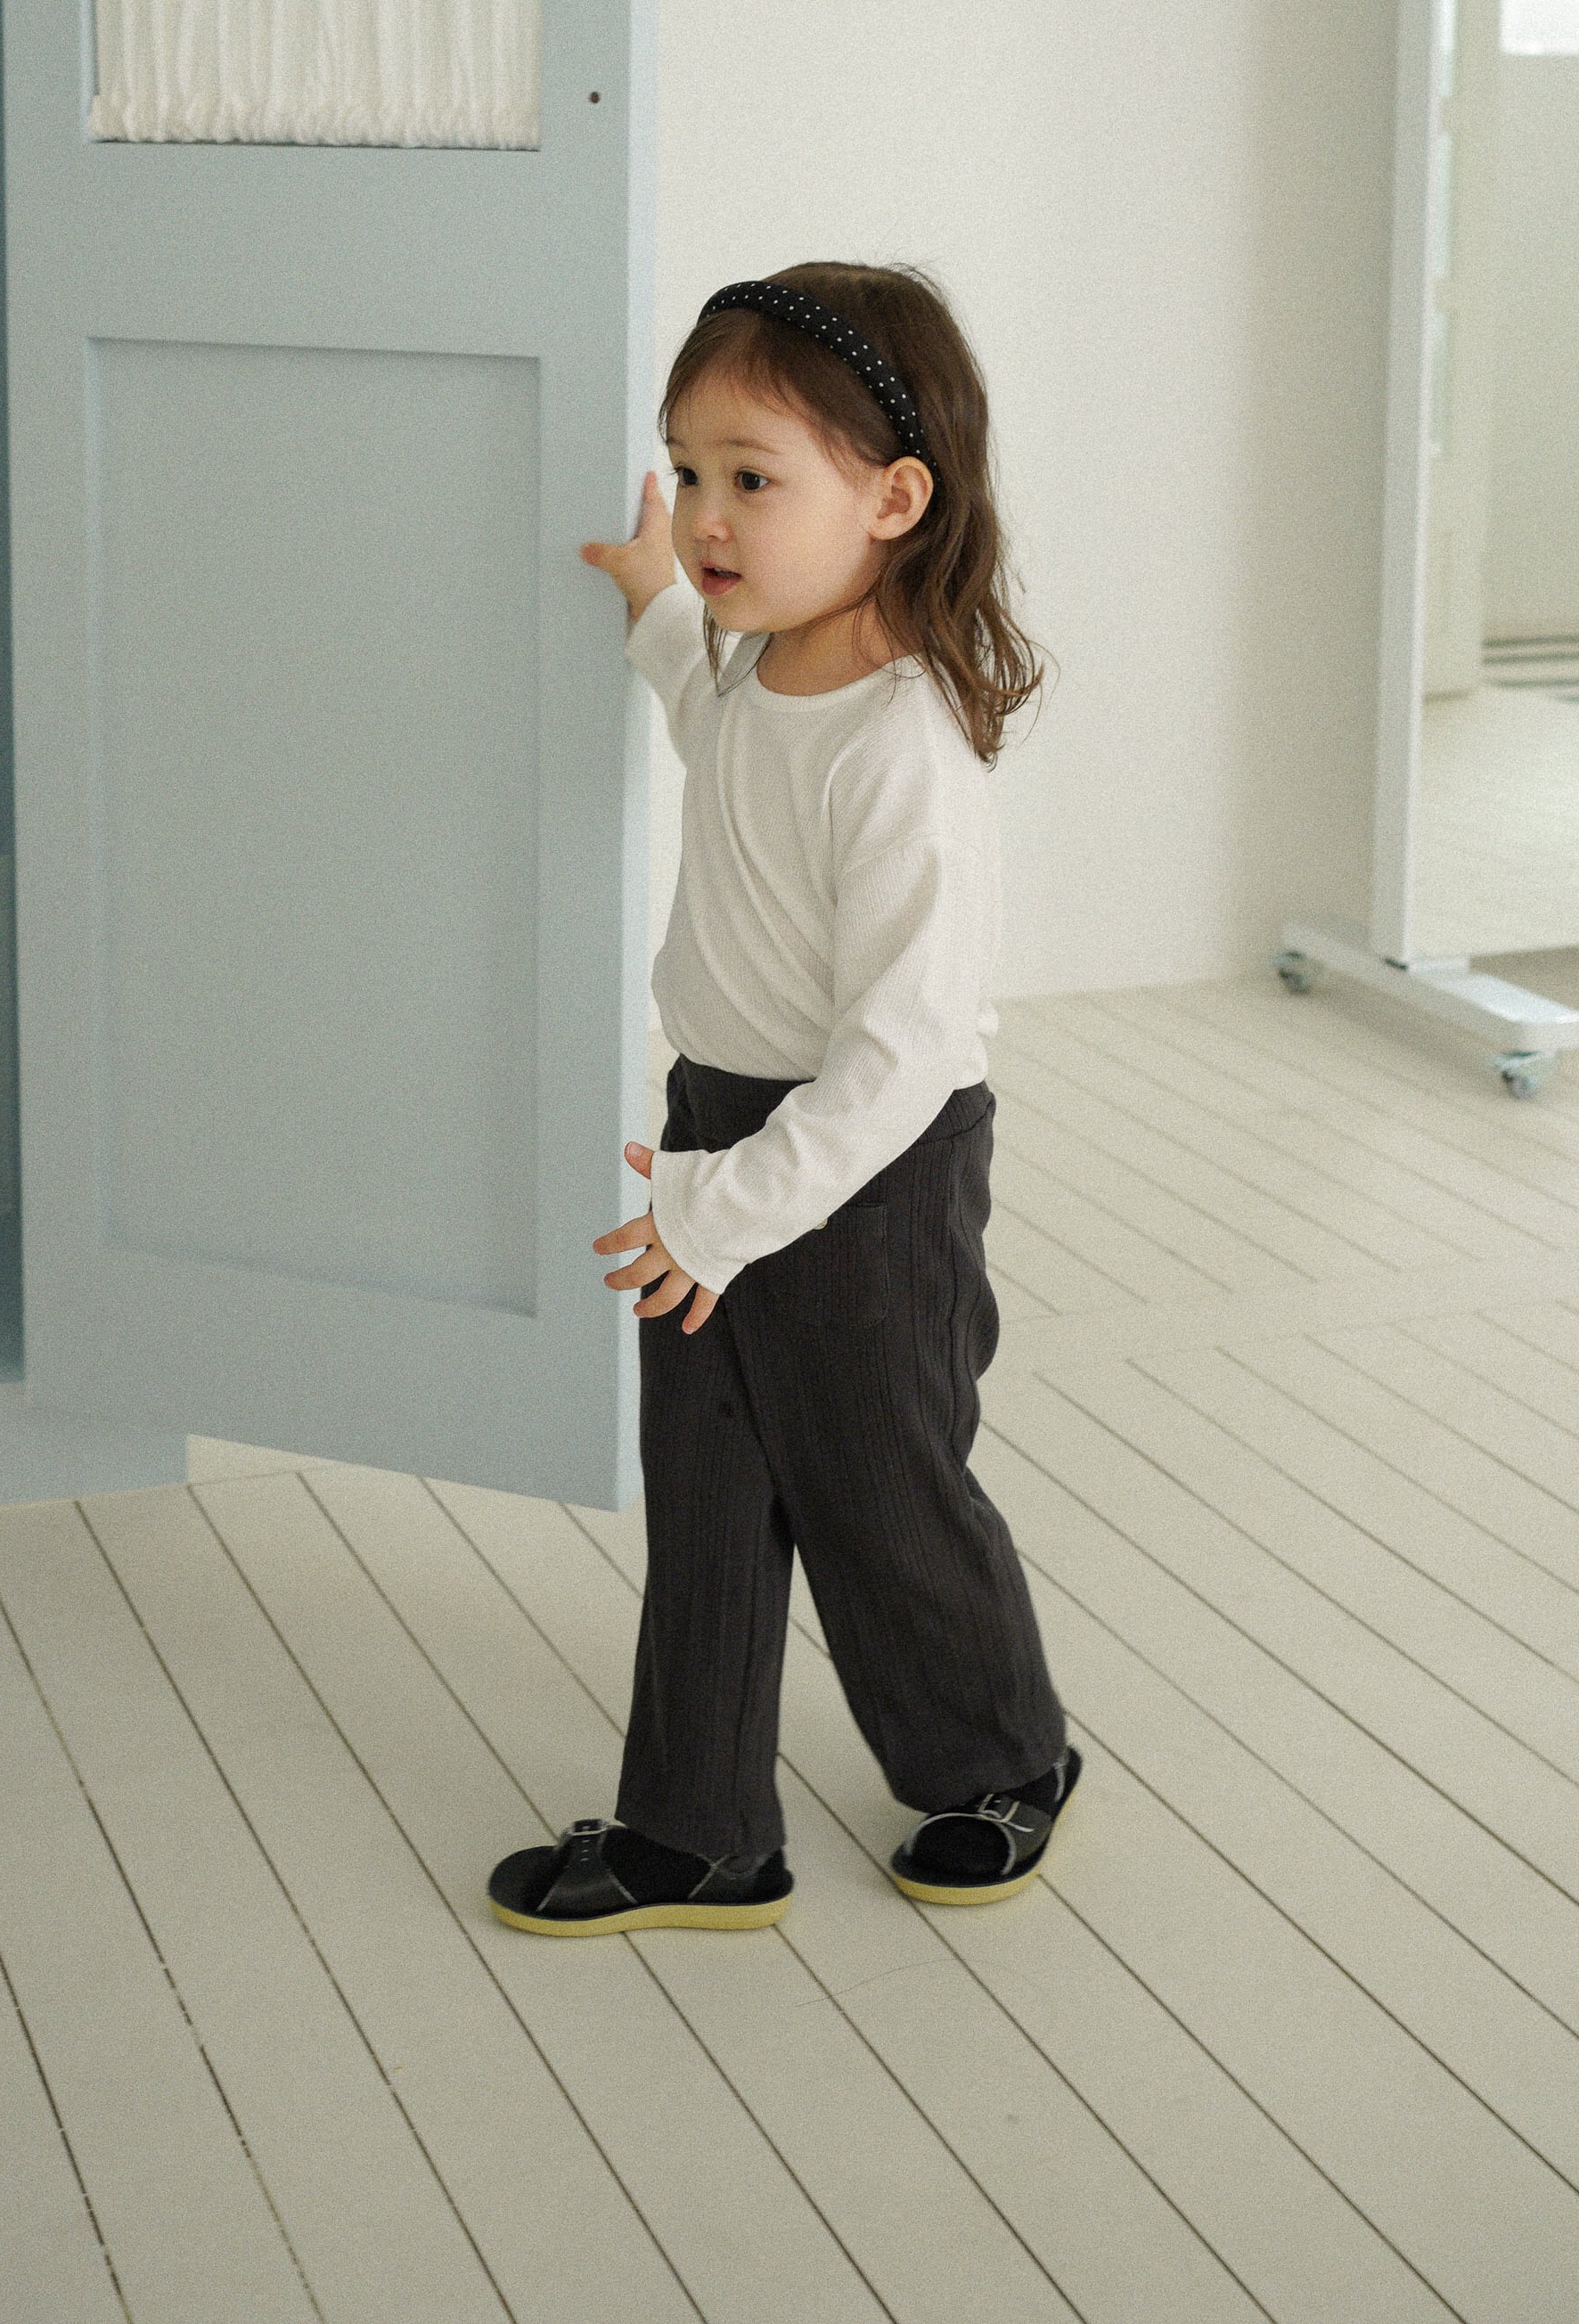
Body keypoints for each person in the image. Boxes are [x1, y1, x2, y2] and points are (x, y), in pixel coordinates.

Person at [487, 262, 1078, 1937]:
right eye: (688, 471)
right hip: (716, 1135)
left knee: (880, 1485)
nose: (706, 515)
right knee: (710, 1494)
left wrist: (726, 1211)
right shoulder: (758, 668)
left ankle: (999, 1757)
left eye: (753, 478)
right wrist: (651, 603)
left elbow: (901, 1057)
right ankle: (699, 1828)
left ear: (894, 500)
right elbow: (703, 711)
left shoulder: (904, 749)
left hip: (866, 1173)